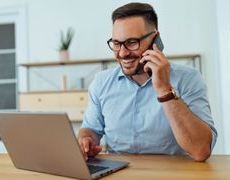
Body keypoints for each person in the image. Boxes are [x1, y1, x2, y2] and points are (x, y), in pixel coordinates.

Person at [78, 2, 217, 162]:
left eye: (131, 42)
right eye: (116, 43)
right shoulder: (101, 82)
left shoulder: (188, 79)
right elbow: (90, 130)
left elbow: (201, 150)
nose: (122, 53)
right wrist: (86, 140)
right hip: (118, 173)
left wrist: (164, 89)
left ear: (155, 40)